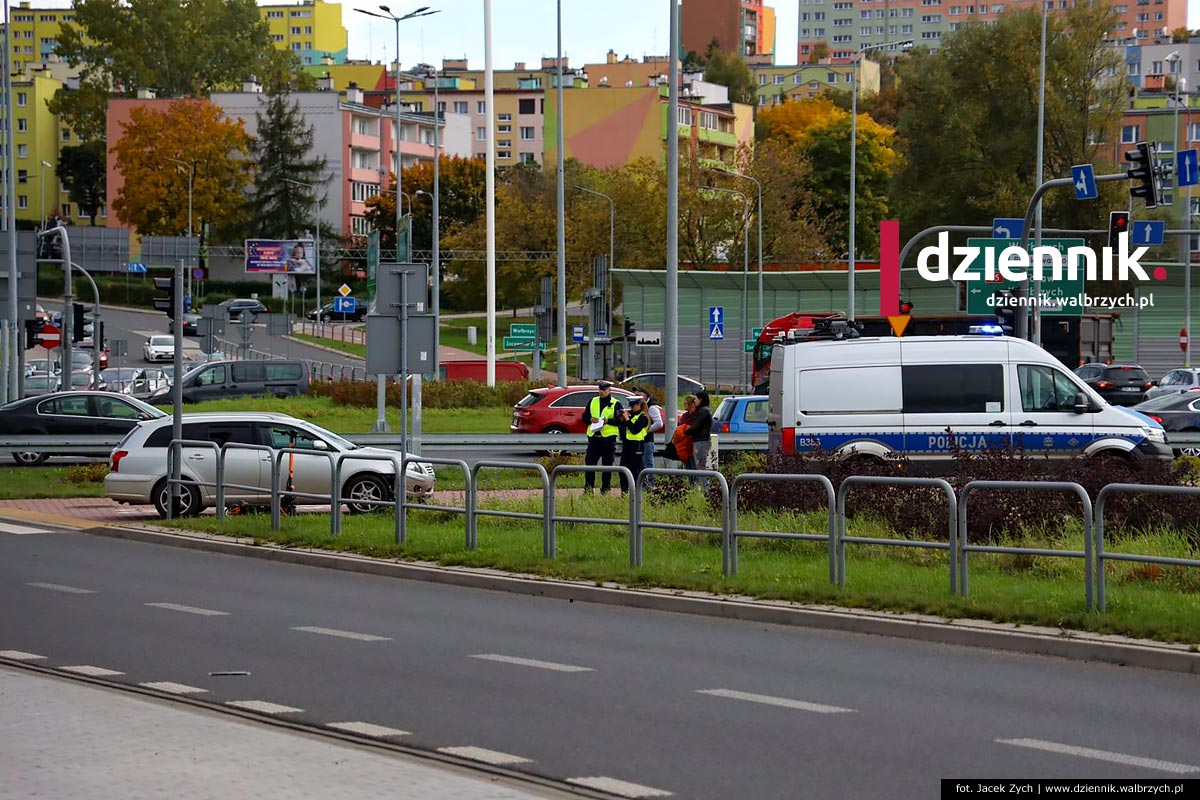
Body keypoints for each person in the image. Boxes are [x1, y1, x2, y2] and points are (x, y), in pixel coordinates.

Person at [581, 380, 621, 494]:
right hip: (594, 437)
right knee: (589, 464)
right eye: (600, 390)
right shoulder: (593, 401)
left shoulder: (615, 403)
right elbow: (584, 416)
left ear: (609, 390)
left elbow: (620, 420)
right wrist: (590, 419)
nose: (601, 392)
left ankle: (605, 488)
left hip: (608, 438)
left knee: (607, 464)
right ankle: (588, 489)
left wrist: (609, 421)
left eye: (604, 390)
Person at [617, 395, 650, 493]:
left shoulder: (643, 417)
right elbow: (623, 431)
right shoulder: (632, 415)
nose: (631, 408)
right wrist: (622, 419)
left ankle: (637, 492)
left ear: (639, 405)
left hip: (637, 446)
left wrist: (627, 419)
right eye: (630, 406)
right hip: (627, 446)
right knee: (623, 469)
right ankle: (624, 491)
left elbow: (635, 430)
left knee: (635, 470)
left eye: (633, 406)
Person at [686, 389, 713, 483]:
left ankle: (704, 487)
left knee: (700, 466)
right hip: (704, 440)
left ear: (701, 399)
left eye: (697, 399)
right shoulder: (706, 410)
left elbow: (696, 427)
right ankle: (704, 486)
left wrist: (685, 432)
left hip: (700, 441)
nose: (695, 401)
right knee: (701, 465)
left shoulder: (702, 411)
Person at [637, 387, 664, 476]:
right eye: (635, 393)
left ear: (646, 396)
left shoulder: (651, 407)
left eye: (639, 394)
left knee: (647, 464)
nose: (636, 395)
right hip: (641, 440)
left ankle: (650, 485)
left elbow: (659, 423)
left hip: (647, 441)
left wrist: (646, 430)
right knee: (641, 464)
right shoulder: (639, 406)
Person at [673, 395, 697, 470]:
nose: (684, 404)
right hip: (684, 446)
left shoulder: (696, 416)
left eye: (686, 403)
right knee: (688, 468)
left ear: (692, 404)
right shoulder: (685, 415)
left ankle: (696, 481)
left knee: (695, 467)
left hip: (692, 445)